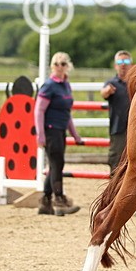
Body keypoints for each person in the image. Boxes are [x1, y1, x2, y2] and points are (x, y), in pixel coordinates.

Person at [101, 49, 136, 216]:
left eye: (125, 62)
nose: (123, 66)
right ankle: (111, 202)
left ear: (131, 64)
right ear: (115, 65)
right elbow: (103, 93)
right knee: (116, 165)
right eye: (120, 63)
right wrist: (106, 92)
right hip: (119, 131)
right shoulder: (111, 84)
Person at [35, 51, 83, 216]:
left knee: (55, 164)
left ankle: (45, 201)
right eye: (56, 63)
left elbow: (66, 112)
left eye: (62, 63)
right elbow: (39, 111)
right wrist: (40, 135)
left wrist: (75, 134)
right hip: (50, 129)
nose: (59, 67)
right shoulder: (49, 86)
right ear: (52, 66)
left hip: (60, 129)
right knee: (57, 164)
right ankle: (59, 199)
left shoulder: (65, 85)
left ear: (67, 66)